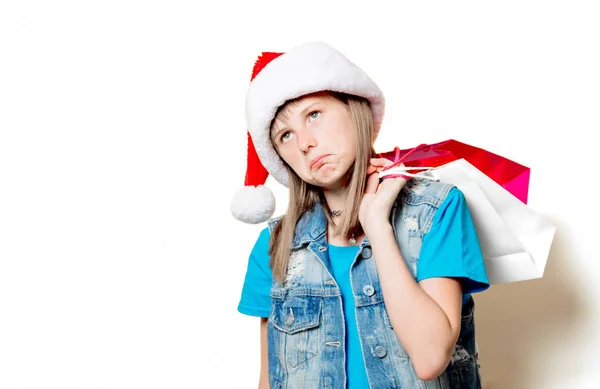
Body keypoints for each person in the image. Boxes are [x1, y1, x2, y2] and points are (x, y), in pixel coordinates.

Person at [231, 42, 490, 389]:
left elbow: (431, 358)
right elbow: (270, 379)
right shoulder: (275, 245)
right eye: (285, 135)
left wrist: (377, 226)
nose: (304, 142)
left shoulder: (436, 211)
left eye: (314, 115)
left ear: (353, 107)